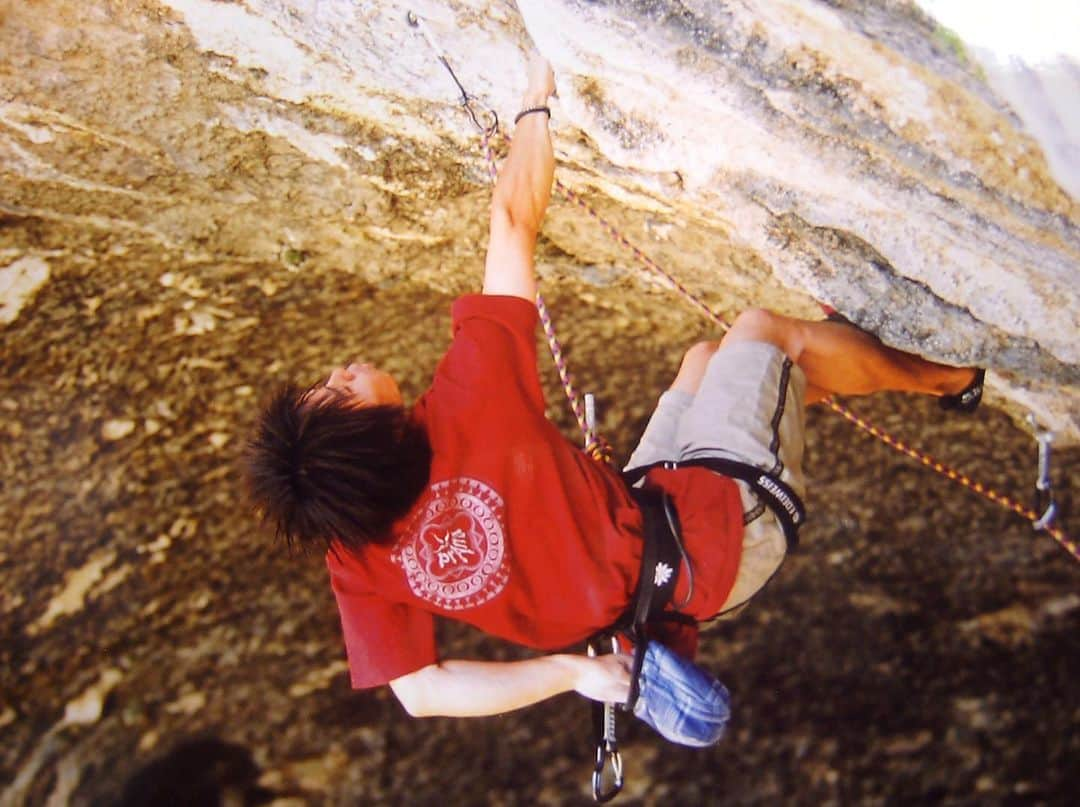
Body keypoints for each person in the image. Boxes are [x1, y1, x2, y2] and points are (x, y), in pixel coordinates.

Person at [244, 56, 983, 728]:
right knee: (763, 333)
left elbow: (423, 690)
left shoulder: (354, 553)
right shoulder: (471, 399)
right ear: (368, 429)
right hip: (719, 535)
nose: (342, 369)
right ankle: (953, 378)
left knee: (706, 362)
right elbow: (512, 219)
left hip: (649, 540)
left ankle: (800, 381)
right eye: (338, 389)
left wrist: (575, 671)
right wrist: (534, 98)